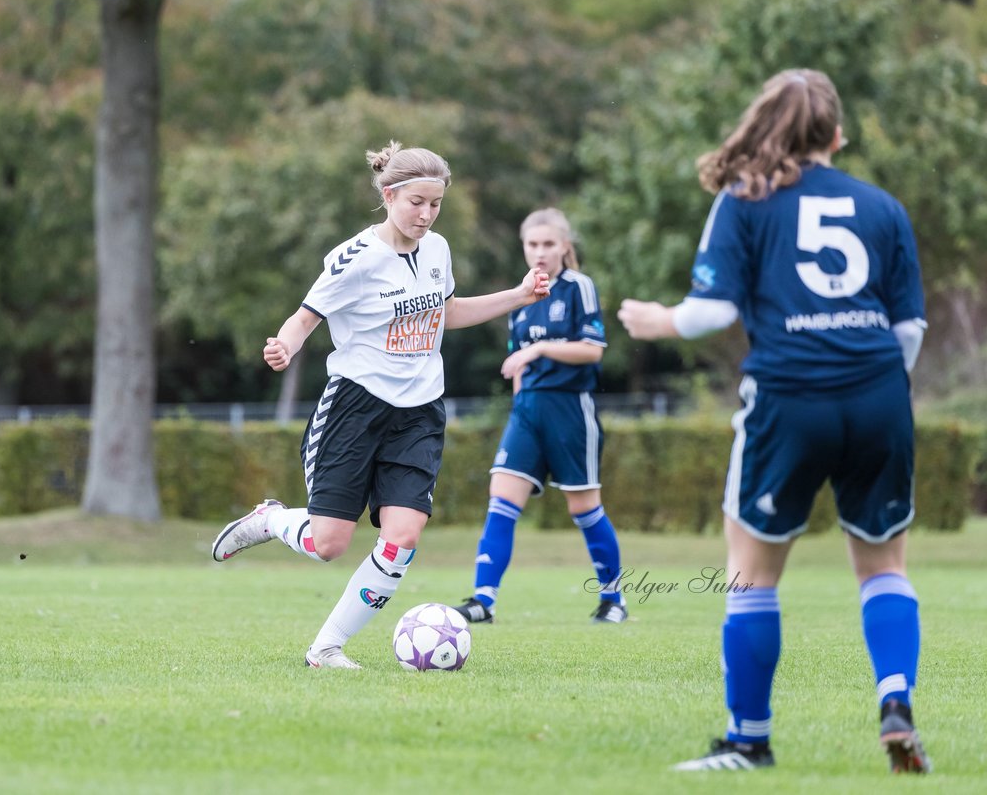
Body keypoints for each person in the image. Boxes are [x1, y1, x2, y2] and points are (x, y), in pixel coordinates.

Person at [617, 69, 929, 773]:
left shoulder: (745, 200)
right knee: (883, 565)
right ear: (838, 134)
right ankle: (895, 697)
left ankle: (749, 741)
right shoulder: (883, 207)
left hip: (789, 396)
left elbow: (712, 312)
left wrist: (654, 319)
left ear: (763, 126)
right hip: (880, 393)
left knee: (751, 576)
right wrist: (870, 386)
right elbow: (909, 328)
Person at [210, 140, 550, 669]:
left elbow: (446, 313)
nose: (427, 214)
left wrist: (519, 295)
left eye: (436, 204)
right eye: (417, 201)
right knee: (329, 544)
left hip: (419, 413)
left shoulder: (437, 250)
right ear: (389, 195)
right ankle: (271, 519)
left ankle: (326, 648)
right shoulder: (355, 258)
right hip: (355, 407)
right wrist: (284, 345)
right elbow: (305, 317)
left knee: (403, 536)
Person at [449, 208, 627, 626]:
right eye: (533, 244)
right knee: (500, 498)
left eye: (549, 244)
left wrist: (539, 349)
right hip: (527, 411)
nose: (541, 252)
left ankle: (613, 599)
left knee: (584, 509)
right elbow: (517, 365)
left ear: (565, 245)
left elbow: (593, 350)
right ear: (524, 247)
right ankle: (482, 601)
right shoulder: (522, 299)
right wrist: (519, 397)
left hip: (569, 408)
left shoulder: (578, 287)